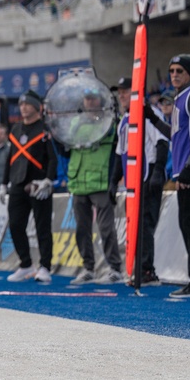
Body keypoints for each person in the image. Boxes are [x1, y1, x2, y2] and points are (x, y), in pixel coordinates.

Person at [111, 77, 167, 286]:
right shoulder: (124, 120)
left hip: (147, 174)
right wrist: (113, 181)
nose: (122, 96)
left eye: (125, 91)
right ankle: (138, 268)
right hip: (131, 182)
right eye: (120, 93)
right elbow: (120, 153)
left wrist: (158, 171)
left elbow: (162, 141)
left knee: (145, 224)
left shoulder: (148, 114)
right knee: (134, 225)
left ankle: (147, 270)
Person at [65, 86, 124, 286]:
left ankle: (115, 268)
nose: (90, 102)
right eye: (86, 98)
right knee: (82, 229)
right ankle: (88, 268)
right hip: (78, 181)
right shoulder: (74, 123)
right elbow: (64, 148)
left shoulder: (110, 122)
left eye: (93, 98)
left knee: (106, 228)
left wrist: (114, 180)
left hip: (100, 181)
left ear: (101, 101)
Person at [0, 91, 58, 283]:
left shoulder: (45, 129)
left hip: (38, 185)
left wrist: (48, 180)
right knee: (15, 225)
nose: (23, 107)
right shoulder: (16, 129)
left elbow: (52, 158)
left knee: (42, 227)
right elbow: (11, 158)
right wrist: (3, 183)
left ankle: (45, 267)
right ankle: (25, 265)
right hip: (17, 184)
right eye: (21, 104)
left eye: (27, 104)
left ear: (36, 107)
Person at [165, 54, 190, 297]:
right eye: (171, 70)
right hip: (185, 169)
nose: (175, 74)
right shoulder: (180, 98)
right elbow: (179, 136)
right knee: (188, 223)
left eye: (180, 70)